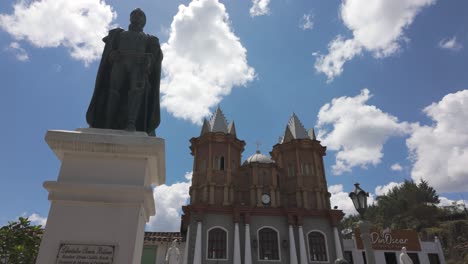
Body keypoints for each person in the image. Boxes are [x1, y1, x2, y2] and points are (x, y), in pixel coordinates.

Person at [86, 8, 163, 134]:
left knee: (136, 92)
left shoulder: (148, 39)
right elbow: (109, 54)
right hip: (120, 62)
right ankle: (108, 123)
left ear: (144, 21)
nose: (137, 16)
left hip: (138, 65)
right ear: (130, 18)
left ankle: (131, 123)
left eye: (140, 15)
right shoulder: (119, 35)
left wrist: (149, 60)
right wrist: (112, 55)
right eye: (134, 14)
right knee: (113, 91)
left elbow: (154, 59)